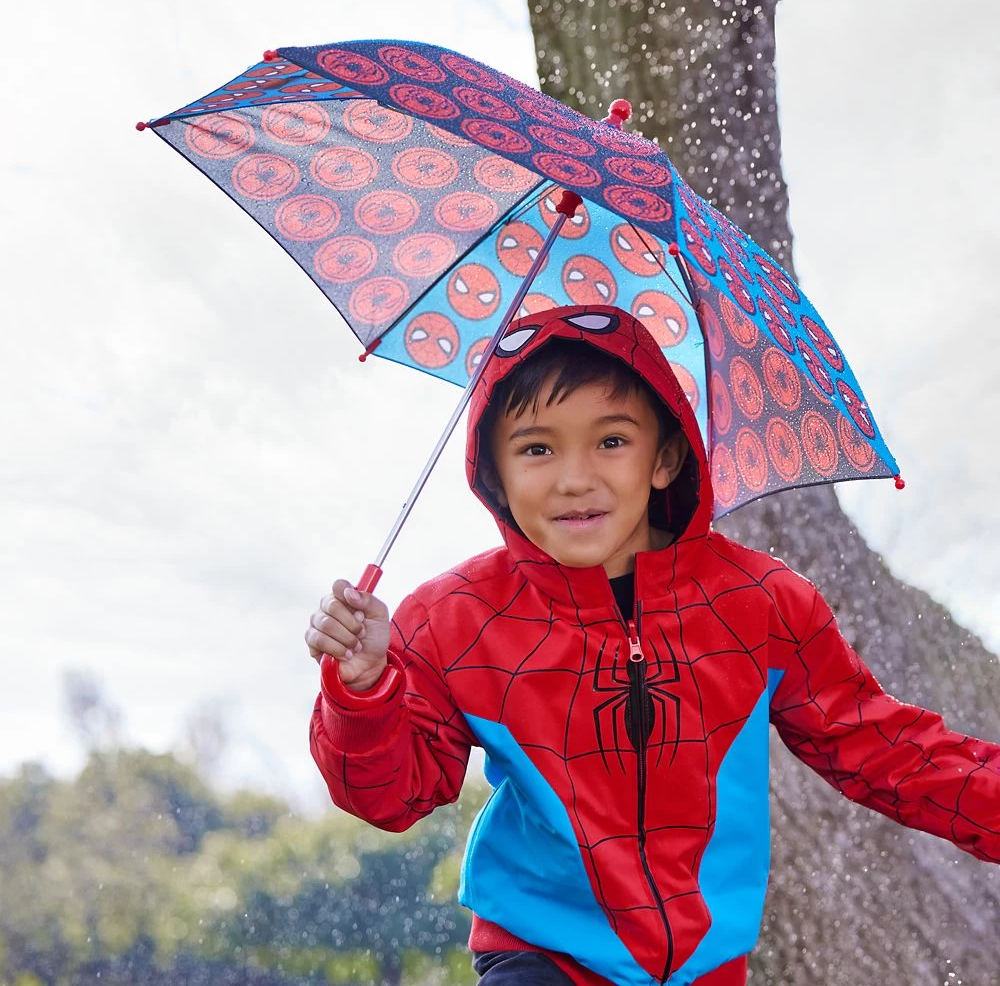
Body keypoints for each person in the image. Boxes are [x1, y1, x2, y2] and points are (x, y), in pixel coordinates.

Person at [304, 303, 999, 986]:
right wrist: (363, 689)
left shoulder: (762, 604)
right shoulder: (450, 620)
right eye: (537, 448)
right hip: (541, 956)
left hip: (704, 966)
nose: (575, 478)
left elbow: (883, 749)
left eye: (611, 441)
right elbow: (390, 798)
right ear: (492, 470)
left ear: (665, 457)